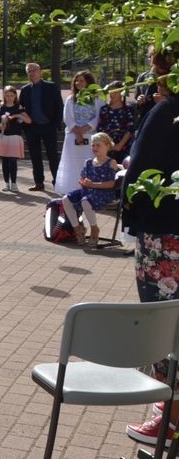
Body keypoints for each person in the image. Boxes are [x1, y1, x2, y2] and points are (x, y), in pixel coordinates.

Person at [123, 55, 179, 446]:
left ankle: (171, 418)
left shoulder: (166, 115)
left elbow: (138, 174)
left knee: (166, 327)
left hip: (164, 238)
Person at [60, 132, 121, 249]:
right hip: (88, 191)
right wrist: (84, 182)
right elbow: (83, 179)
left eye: (98, 145)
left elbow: (111, 184)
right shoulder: (88, 162)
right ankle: (78, 229)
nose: (95, 148)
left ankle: (94, 229)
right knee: (66, 199)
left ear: (107, 146)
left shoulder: (111, 162)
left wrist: (92, 184)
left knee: (85, 201)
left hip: (104, 193)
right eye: (93, 145)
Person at [56, 70, 103, 196]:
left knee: (90, 164)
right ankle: (72, 190)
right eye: (77, 80)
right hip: (72, 137)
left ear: (89, 82)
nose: (78, 83)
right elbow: (67, 118)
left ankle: (90, 189)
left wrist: (84, 130)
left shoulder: (97, 98)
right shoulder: (71, 99)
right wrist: (77, 132)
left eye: (82, 80)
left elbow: (98, 116)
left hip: (91, 136)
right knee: (73, 164)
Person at [20, 62, 64, 191]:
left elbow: (59, 107)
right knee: (35, 156)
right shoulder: (25, 89)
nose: (32, 73)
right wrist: (25, 124)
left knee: (52, 156)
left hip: (49, 126)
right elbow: (21, 108)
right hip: (32, 128)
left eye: (34, 70)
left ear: (40, 71)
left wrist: (55, 125)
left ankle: (58, 182)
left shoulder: (51, 87)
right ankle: (39, 182)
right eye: (29, 71)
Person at [0, 85, 29, 192]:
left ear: (15, 96)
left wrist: (19, 116)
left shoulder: (19, 107)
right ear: (4, 96)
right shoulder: (0, 108)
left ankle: (14, 183)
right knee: (5, 160)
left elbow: (29, 121)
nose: (9, 97)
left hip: (15, 137)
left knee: (13, 160)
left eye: (11, 95)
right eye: (7, 95)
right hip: (3, 137)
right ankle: (6, 183)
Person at [96, 81, 135, 162]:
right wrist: (107, 145)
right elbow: (100, 128)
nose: (112, 95)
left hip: (124, 146)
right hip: (106, 147)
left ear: (122, 93)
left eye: (116, 92)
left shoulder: (128, 109)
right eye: (111, 92)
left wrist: (119, 145)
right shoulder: (104, 109)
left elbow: (130, 129)